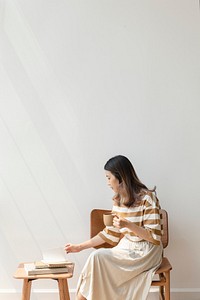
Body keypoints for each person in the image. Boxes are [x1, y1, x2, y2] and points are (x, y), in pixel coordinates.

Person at [65, 155, 163, 300]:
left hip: (147, 251)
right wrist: (79, 247)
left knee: (97, 258)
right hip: (127, 247)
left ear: (121, 178)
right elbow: (109, 234)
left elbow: (154, 237)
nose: (107, 182)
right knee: (96, 259)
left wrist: (128, 225)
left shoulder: (147, 198)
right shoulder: (118, 200)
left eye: (108, 177)